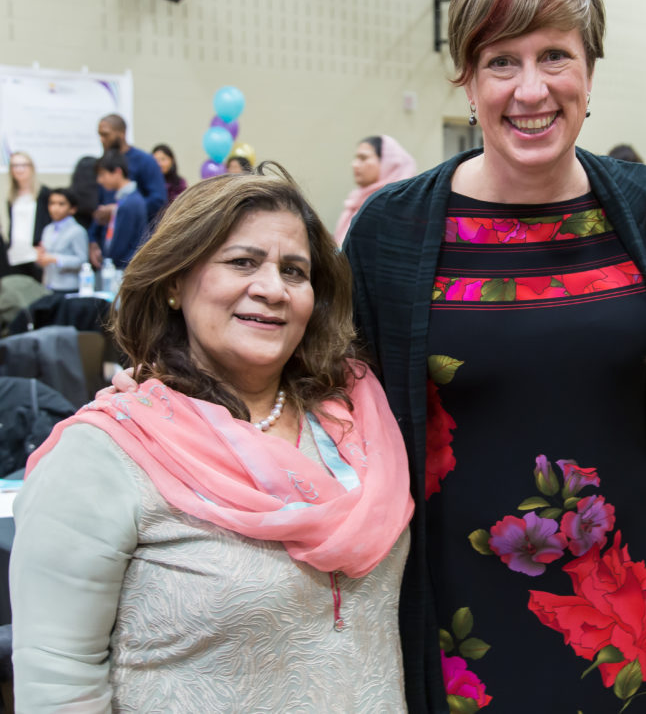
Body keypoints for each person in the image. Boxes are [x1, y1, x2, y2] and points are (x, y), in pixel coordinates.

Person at [343, 0, 646, 713]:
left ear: (590, 73)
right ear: (467, 82)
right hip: (461, 612)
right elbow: (328, 400)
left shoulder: (644, 207)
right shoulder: (392, 230)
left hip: (636, 607)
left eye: (554, 57)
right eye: (501, 61)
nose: (530, 88)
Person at [11, 166, 414, 711]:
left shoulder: (354, 421)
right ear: (175, 281)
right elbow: (60, 682)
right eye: (242, 262)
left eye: (294, 271)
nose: (272, 288)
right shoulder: (104, 454)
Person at [332, 135, 416, 244]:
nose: (354, 164)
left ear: (388, 163)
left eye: (363, 158)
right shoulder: (355, 202)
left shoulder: (399, 207)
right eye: (356, 158)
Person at [96, 114, 167, 222]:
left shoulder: (145, 161)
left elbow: (158, 200)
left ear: (122, 134)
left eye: (105, 135)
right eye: (100, 135)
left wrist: (120, 210)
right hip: (110, 233)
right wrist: (94, 235)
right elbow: (101, 201)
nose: (101, 139)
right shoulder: (104, 162)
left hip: (137, 232)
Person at [92, 149, 149, 269]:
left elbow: (120, 247)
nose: (99, 180)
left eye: (102, 174)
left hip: (122, 268)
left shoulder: (130, 203)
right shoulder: (125, 201)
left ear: (117, 172)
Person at [6, 151, 50, 280]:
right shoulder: (11, 196)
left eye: (23, 165)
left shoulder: (43, 193)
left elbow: (48, 221)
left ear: (31, 167)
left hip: (36, 252)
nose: (19, 169)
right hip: (16, 252)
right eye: (15, 166)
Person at [34, 188, 89, 292]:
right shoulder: (47, 229)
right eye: (52, 203)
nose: (55, 208)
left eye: (61, 204)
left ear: (72, 208)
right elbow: (44, 257)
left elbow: (82, 260)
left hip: (68, 287)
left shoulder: (77, 231)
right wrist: (40, 258)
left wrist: (56, 259)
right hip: (48, 285)